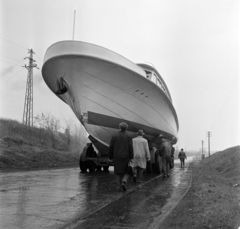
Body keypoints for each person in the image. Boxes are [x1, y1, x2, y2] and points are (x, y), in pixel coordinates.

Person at [108, 122, 133, 191]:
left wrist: (110, 157)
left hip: (117, 156)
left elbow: (111, 147)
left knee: (117, 171)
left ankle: (118, 186)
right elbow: (130, 147)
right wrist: (131, 157)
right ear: (126, 128)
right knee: (127, 171)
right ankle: (124, 182)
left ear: (119, 127)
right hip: (126, 156)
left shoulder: (114, 136)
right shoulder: (129, 136)